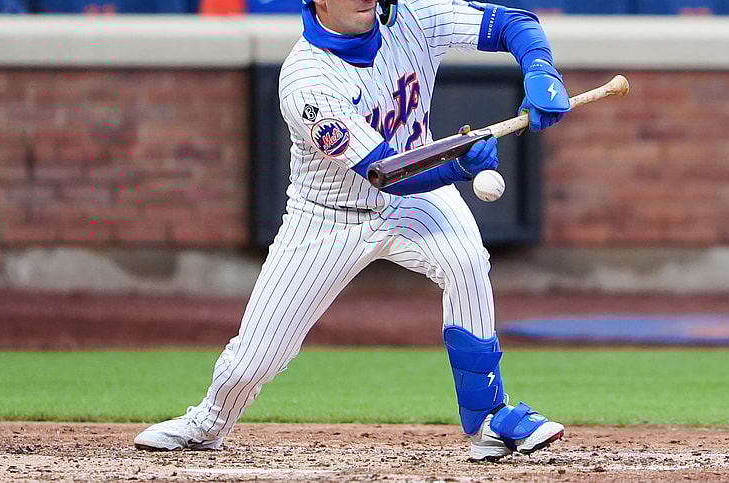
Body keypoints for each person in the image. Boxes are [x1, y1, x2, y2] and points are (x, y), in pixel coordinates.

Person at [134, 0, 570, 461]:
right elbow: (383, 171)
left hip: (419, 199)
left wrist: (540, 68)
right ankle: (209, 422)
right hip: (328, 215)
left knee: (465, 262)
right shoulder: (306, 79)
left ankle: (489, 419)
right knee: (254, 359)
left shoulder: (413, 16)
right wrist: (458, 163)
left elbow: (513, 23)